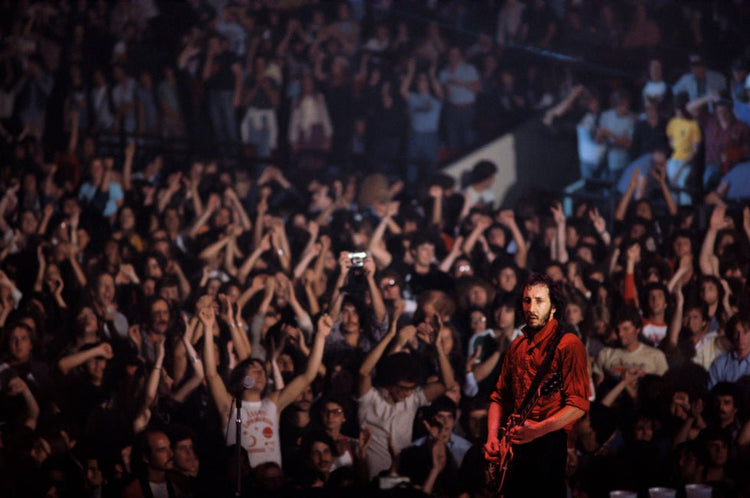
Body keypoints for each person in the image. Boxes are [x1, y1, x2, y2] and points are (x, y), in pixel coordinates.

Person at [484, 273, 590, 497]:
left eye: (539, 301)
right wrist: (492, 437)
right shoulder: (517, 346)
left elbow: (579, 404)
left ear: (553, 307)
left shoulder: (568, 344)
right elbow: (499, 397)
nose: (531, 307)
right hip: (514, 445)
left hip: (548, 443)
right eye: (527, 300)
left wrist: (538, 430)